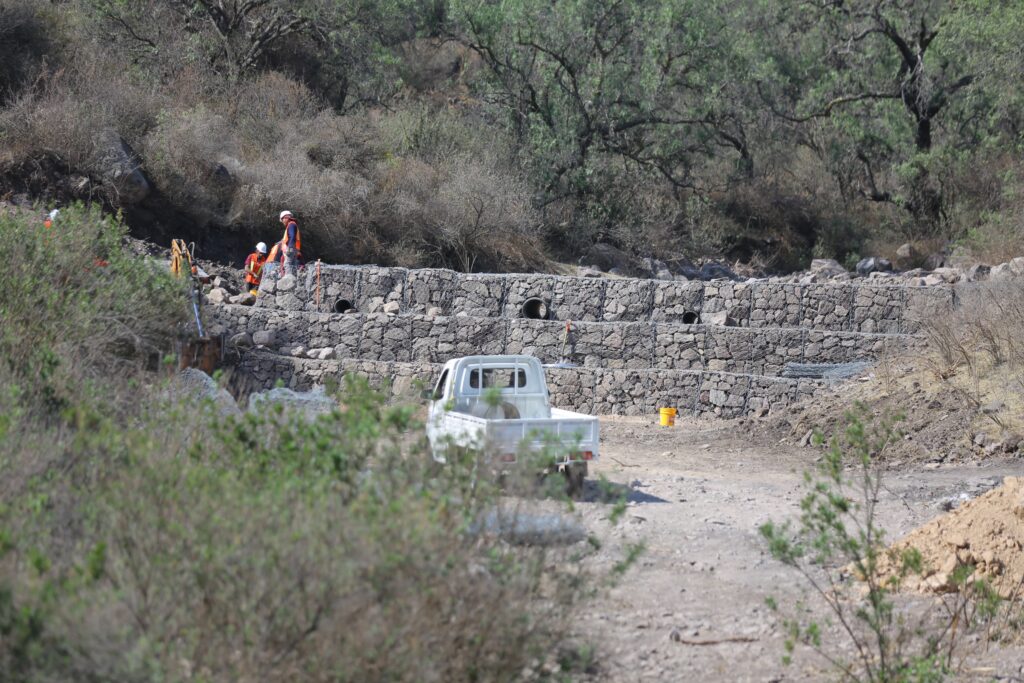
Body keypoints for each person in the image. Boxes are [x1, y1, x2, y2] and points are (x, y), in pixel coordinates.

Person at [278, 210, 301, 276]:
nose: (282, 222)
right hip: (294, 249)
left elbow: (292, 236)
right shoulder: (293, 225)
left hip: (291, 249)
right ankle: (293, 280)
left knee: (287, 264)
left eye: (282, 220)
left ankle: (289, 280)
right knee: (293, 265)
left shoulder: (291, 225)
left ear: (286, 218)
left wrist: (289, 247)